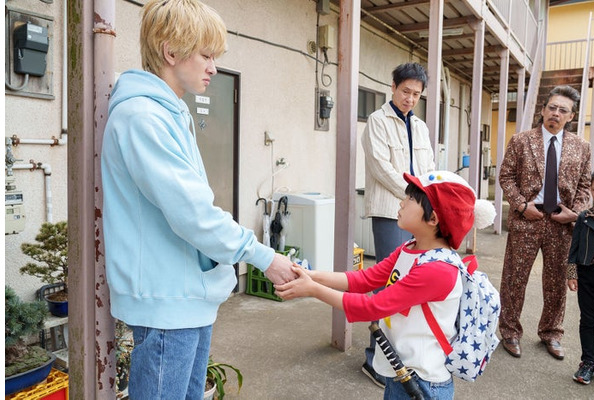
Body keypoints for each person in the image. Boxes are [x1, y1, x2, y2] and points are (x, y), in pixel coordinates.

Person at [101, 1, 295, 399]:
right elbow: (193, 215)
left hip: (182, 295)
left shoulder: (169, 112)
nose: (213, 67)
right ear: (171, 51)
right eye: (206, 55)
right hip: (167, 299)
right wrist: (263, 256)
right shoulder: (144, 117)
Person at [276, 170, 494, 399]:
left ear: (433, 219)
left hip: (423, 383)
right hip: (401, 370)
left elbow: (373, 306)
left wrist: (313, 290)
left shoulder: (438, 270)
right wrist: (311, 275)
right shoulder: (410, 249)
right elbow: (364, 279)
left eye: (411, 198)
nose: (401, 202)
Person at [498, 85, 592, 361]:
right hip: (528, 218)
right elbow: (506, 177)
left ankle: (551, 333)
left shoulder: (582, 147)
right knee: (514, 278)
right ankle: (510, 331)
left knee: (556, 282)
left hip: (561, 223)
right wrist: (521, 205)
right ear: (542, 110)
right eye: (552, 107)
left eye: (563, 110)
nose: (556, 113)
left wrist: (575, 213)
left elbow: (586, 186)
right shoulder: (521, 140)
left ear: (570, 116)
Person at [360, 62, 435, 387]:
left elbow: (429, 165)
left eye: (416, 94)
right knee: (388, 285)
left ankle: (400, 355)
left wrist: (427, 198)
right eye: (406, 91)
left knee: (412, 284)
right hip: (391, 211)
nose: (410, 98)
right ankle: (374, 358)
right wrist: (415, 195)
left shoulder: (420, 127)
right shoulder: (376, 122)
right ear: (393, 87)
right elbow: (380, 167)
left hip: (418, 213)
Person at [567, 165, 594, 388]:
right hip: (587, 277)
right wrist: (572, 275)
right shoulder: (584, 217)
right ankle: (588, 362)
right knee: (588, 321)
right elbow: (574, 249)